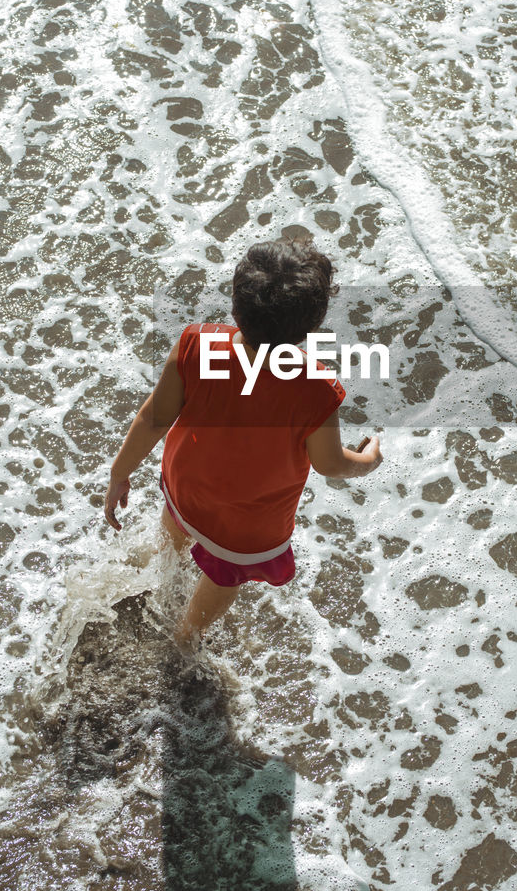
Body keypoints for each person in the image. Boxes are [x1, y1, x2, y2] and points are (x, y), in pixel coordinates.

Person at [104, 238, 382, 645]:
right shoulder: (316, 388)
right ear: (313, 325)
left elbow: (153, 417)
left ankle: (161, 579)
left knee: (175, 531)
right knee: (223, 574)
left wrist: (119, 473)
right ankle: (185, 640)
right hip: (246, 522)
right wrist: (369, 460)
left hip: (187, 485)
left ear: (236, 306)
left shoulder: (197, 344)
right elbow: (330, 464)